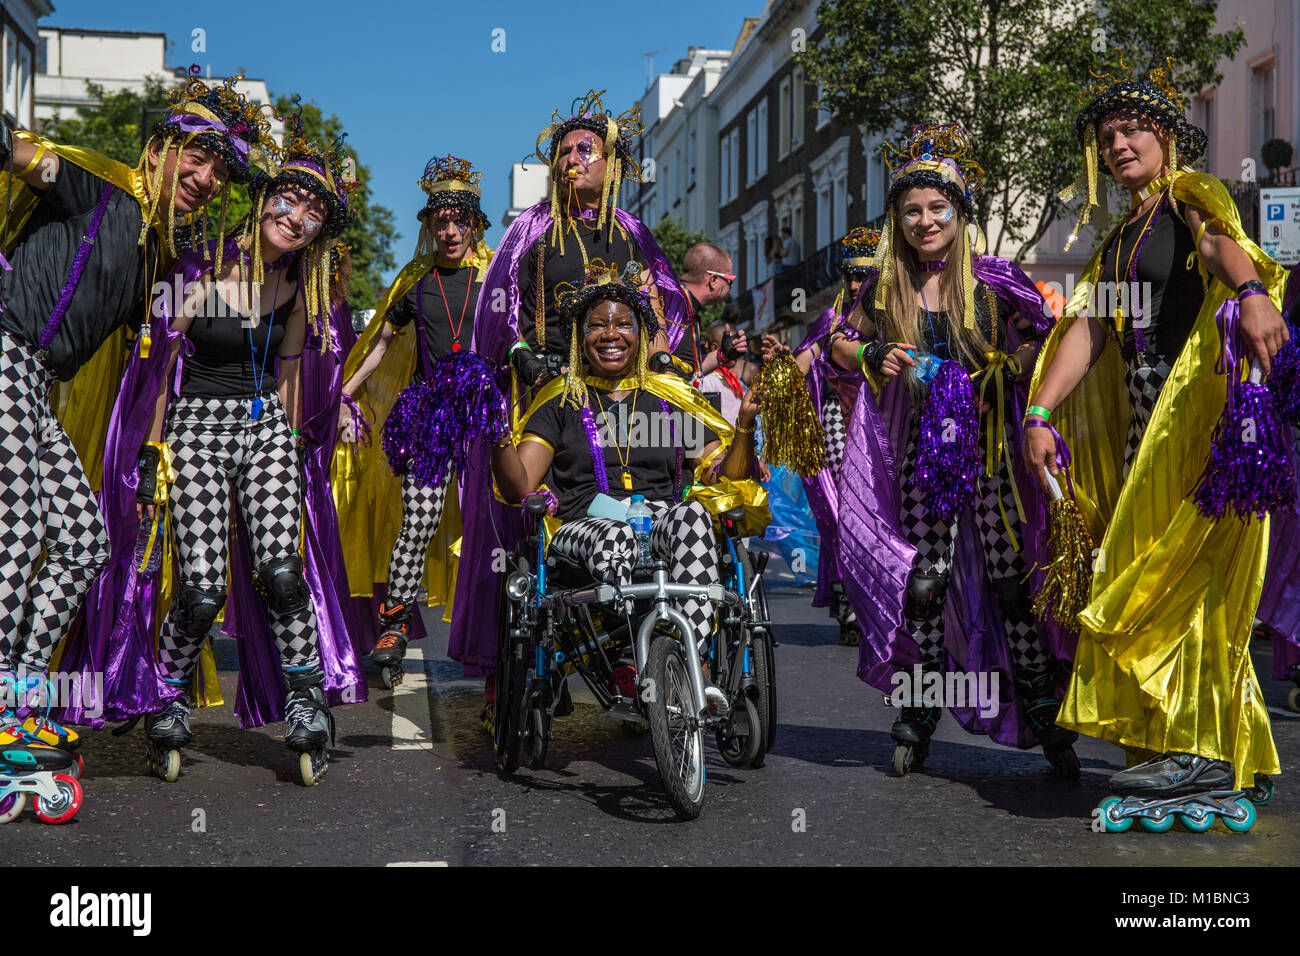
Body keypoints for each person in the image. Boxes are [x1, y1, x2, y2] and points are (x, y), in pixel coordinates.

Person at [58, 120, 364, 786]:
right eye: (292, 201)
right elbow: (158, 367)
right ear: (263, 200)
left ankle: (307, 704)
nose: (301, 218)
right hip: (194, 425)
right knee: (201, 589)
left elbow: (287, 376)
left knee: (283, 574)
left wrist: (290, 442)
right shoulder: (197, 268)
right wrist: (150, 453)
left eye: (315, 212)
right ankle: (164, 697)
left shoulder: (298, 288)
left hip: (262, 430)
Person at [1026, 60, 1289, 822]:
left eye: (1133, 129)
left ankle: (1197, 751)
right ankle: (1186, 742)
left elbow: (1221, 248)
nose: (1118, 143)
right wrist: (1039, 413)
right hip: (1149, 429)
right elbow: (1085, 333)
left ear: (1166, 137)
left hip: (1199, 421)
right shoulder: (1119, 239)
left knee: (1173, 581)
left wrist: (1249, 294)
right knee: (1153, 573)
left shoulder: (1187, 198)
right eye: (1107, 136)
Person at [0, 74, 273, 755]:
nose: (207, 177)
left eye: (220, 169)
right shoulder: (94, 185)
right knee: (23, 534)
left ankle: (22, 703)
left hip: (32, 384)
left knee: (83, 543)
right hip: (2, 354)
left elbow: (161, 351)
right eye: (197, 156)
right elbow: (18, 152)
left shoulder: (160, 251)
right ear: (157, 151)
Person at [833, 122, 1073, 777]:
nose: (924, 220)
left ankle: (1044, 707)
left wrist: (1011, 367)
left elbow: (1047, 341)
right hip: (922, 462)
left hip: (992, 459)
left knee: (1009, 582)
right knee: (927, 585)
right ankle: (916, 715)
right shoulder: (885, 287)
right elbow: (836, 344)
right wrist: (876, 351)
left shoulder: (996, 281)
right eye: (910, 211)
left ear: (960, 213)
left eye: (937, 208)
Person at [456, 90, 688, 716]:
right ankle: (528, 652)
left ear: (613, 165)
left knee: (659, 482)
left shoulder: (634, 236)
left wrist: (663, 356)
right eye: (563, 153)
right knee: (529, 511)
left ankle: (638, 642)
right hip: (553, 389)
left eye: (587, 151)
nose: (572, 162)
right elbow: (496, 312)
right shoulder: (531, 231)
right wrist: (520, 355)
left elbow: (666, 309)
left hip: (625, 384)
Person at [489, 267, 765, 710]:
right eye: (598, 325)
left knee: (694, 515)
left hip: (659, 525)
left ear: (640, 335)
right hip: (585, 526)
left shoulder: (667, 400)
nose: (610, 334)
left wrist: (746, 428)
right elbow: (520, 484)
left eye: (622, 324)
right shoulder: (561, 401)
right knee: (614, 535)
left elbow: (723, 475)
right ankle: (624, 655)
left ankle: (693, 666)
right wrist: (497, 434)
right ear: (580, 337)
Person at [332, 156, 494, 680]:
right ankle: (395, 619)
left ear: (474, 225)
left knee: (493, 523)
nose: (449, 231)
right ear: (429, 227)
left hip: (483, 415)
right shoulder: (415, 286)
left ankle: (506, 631)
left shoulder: (494, 282)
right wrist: (340, 395)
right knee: (419, 521)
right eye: (440, 222)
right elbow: (379, 346)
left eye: (458, 222)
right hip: (428, 416)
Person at [762, 226, 880, 646]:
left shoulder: (896, 315)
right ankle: (851, 610)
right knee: (841, 517)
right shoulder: (832, 319)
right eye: (847, 273)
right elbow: (804, 360)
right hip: (836, 425)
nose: (852, 283)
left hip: (884, 428)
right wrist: (780, 369)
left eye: (862, 274)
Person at [669, 242, 745, 385]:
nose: (729, 288)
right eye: (730, 281)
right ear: (714, 280)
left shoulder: (685, 305)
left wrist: (724, 354)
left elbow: (690, 373)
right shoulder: (675, 306)